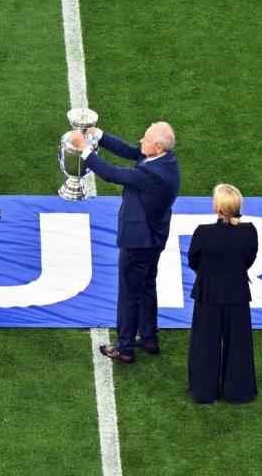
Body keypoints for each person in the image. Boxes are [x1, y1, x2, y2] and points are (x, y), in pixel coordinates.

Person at [70, 122, 181, 363]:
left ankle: (124, 348)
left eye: (146, 138)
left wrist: (84, 150)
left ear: (159, 146)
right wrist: (97, 134)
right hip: (154, 237)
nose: (141, 141)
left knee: (129, 294)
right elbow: (130, 151)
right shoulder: (167, 161)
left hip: (138, 242)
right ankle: (149, 337)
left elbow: (113, 174)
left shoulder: (152, 174)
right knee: (147, 287)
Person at [187, 184, 258, 403]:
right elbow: (249, 259)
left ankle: (204, 390)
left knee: (205, 343)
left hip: (208, 293)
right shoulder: (249, 231)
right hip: (237, 293)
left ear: (218, 207)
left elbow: (193, 262)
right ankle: (238, 391)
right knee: (239, 343)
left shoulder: (203, 232)